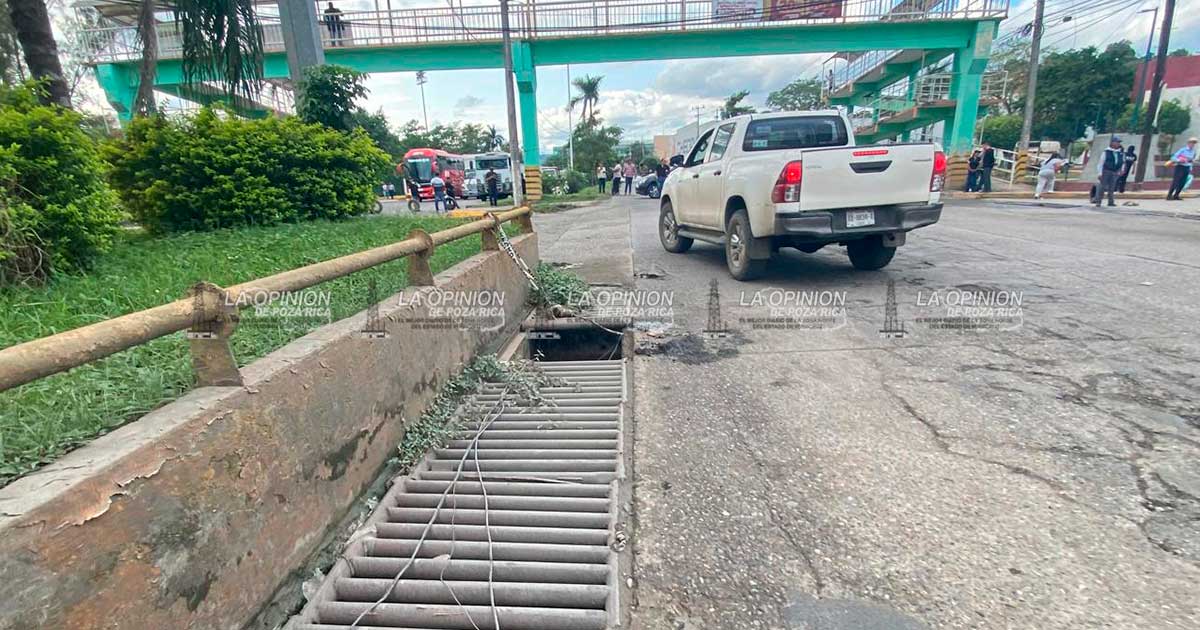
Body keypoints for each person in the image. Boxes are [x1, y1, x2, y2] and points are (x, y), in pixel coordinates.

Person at [1093, 135, 1125, 207]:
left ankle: (1111, 202)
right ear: (1113, 143)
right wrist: (1100, 173)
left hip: (1115, 171)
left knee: (1112, 187)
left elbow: (1122, 162)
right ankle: (1098, 201)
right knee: (1102, 187)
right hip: (1106, 171)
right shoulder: (1106, 152)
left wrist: (1122, 170)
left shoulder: (1120, 152)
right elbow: (1101, 163)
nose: (1118, 144)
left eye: (1119, 142)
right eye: (1117, 142)